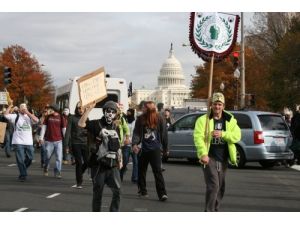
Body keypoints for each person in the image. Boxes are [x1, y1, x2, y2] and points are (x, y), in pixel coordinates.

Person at [193, 92, 241, 212]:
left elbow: (237, 136)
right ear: (211, 105)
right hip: (209, 157)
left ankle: (215, 209)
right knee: (213, 185)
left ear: (223, 106)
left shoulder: (230, 119)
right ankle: (209, 211)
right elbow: (198, 138)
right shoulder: (203, 120)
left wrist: (223, 134)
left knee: (221, 187)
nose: (217, 107)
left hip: (224, 157)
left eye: (219, 104)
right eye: (215, 104)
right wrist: (203, 153)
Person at [78, 100, 123, 212]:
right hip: (98, 165)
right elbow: (81, 124)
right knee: (98, 193)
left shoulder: (115, 126)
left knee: (117, 191)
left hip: (113, 165)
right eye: (108, 111)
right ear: (104, 111)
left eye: (113, 111)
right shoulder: (96, 123)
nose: (110, 113)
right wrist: (89, 109)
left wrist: (120, 160)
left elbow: (118, 145)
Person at [132, 101, 169, 201]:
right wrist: (134, 144)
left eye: (144, 108)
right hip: (143, 149)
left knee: (157, 171)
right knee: (141, 171)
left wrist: (165, 149)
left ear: (148, 109)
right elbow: (136, 133)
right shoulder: (140, 119)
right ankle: (142, 190)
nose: (142, 109)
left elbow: (164, 135)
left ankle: (162, 193)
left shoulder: (159, 118)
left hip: (155, 149)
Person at [4, 103, 39, 181]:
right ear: (19, 109)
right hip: (18, 141)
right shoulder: (15, 116)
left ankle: (23, 169)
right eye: (22, 108)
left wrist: (28, 113)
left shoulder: (29, 117)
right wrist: (10, 106)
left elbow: (37, 120)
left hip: (28, 142)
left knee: (30, 158)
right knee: (20, 159)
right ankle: (23, 175)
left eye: (25, 108)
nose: (23, 109)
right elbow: (6, 115)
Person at [64, 102, 88, 188]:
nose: (81, 110)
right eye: (79, 108)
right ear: (76, 109)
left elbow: (89, 132)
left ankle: (79, 173)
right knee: (79, 162)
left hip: (85, 143)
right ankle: (79, 182)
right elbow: (68, 132)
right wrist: (66, 145)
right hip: (75, 143)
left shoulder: (86, 118)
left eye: (82, 108)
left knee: (87, 161)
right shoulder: (72, 118)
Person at [39, 104, 67, 178]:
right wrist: (41, 138)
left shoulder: (61, 117)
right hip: (49, 141)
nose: (49, 110)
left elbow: (64, 129)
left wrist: (66, 141)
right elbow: (44, 128)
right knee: (47, 156)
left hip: (59, 141)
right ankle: (46, 168)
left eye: (50, 109)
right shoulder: (48, 117)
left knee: (59, 157)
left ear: (54, 109)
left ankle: (58, 171)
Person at [120, 108, 138, 183]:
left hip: (134, 144)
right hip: (126, 144)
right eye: (127, 112)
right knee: (125, 161)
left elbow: (136, 133)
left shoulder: (135, 122)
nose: (128, 114)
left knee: (136, 161)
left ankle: (134, 177)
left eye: (129, 112)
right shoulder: (124, 121)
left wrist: (136, 143)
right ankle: (121, 174)